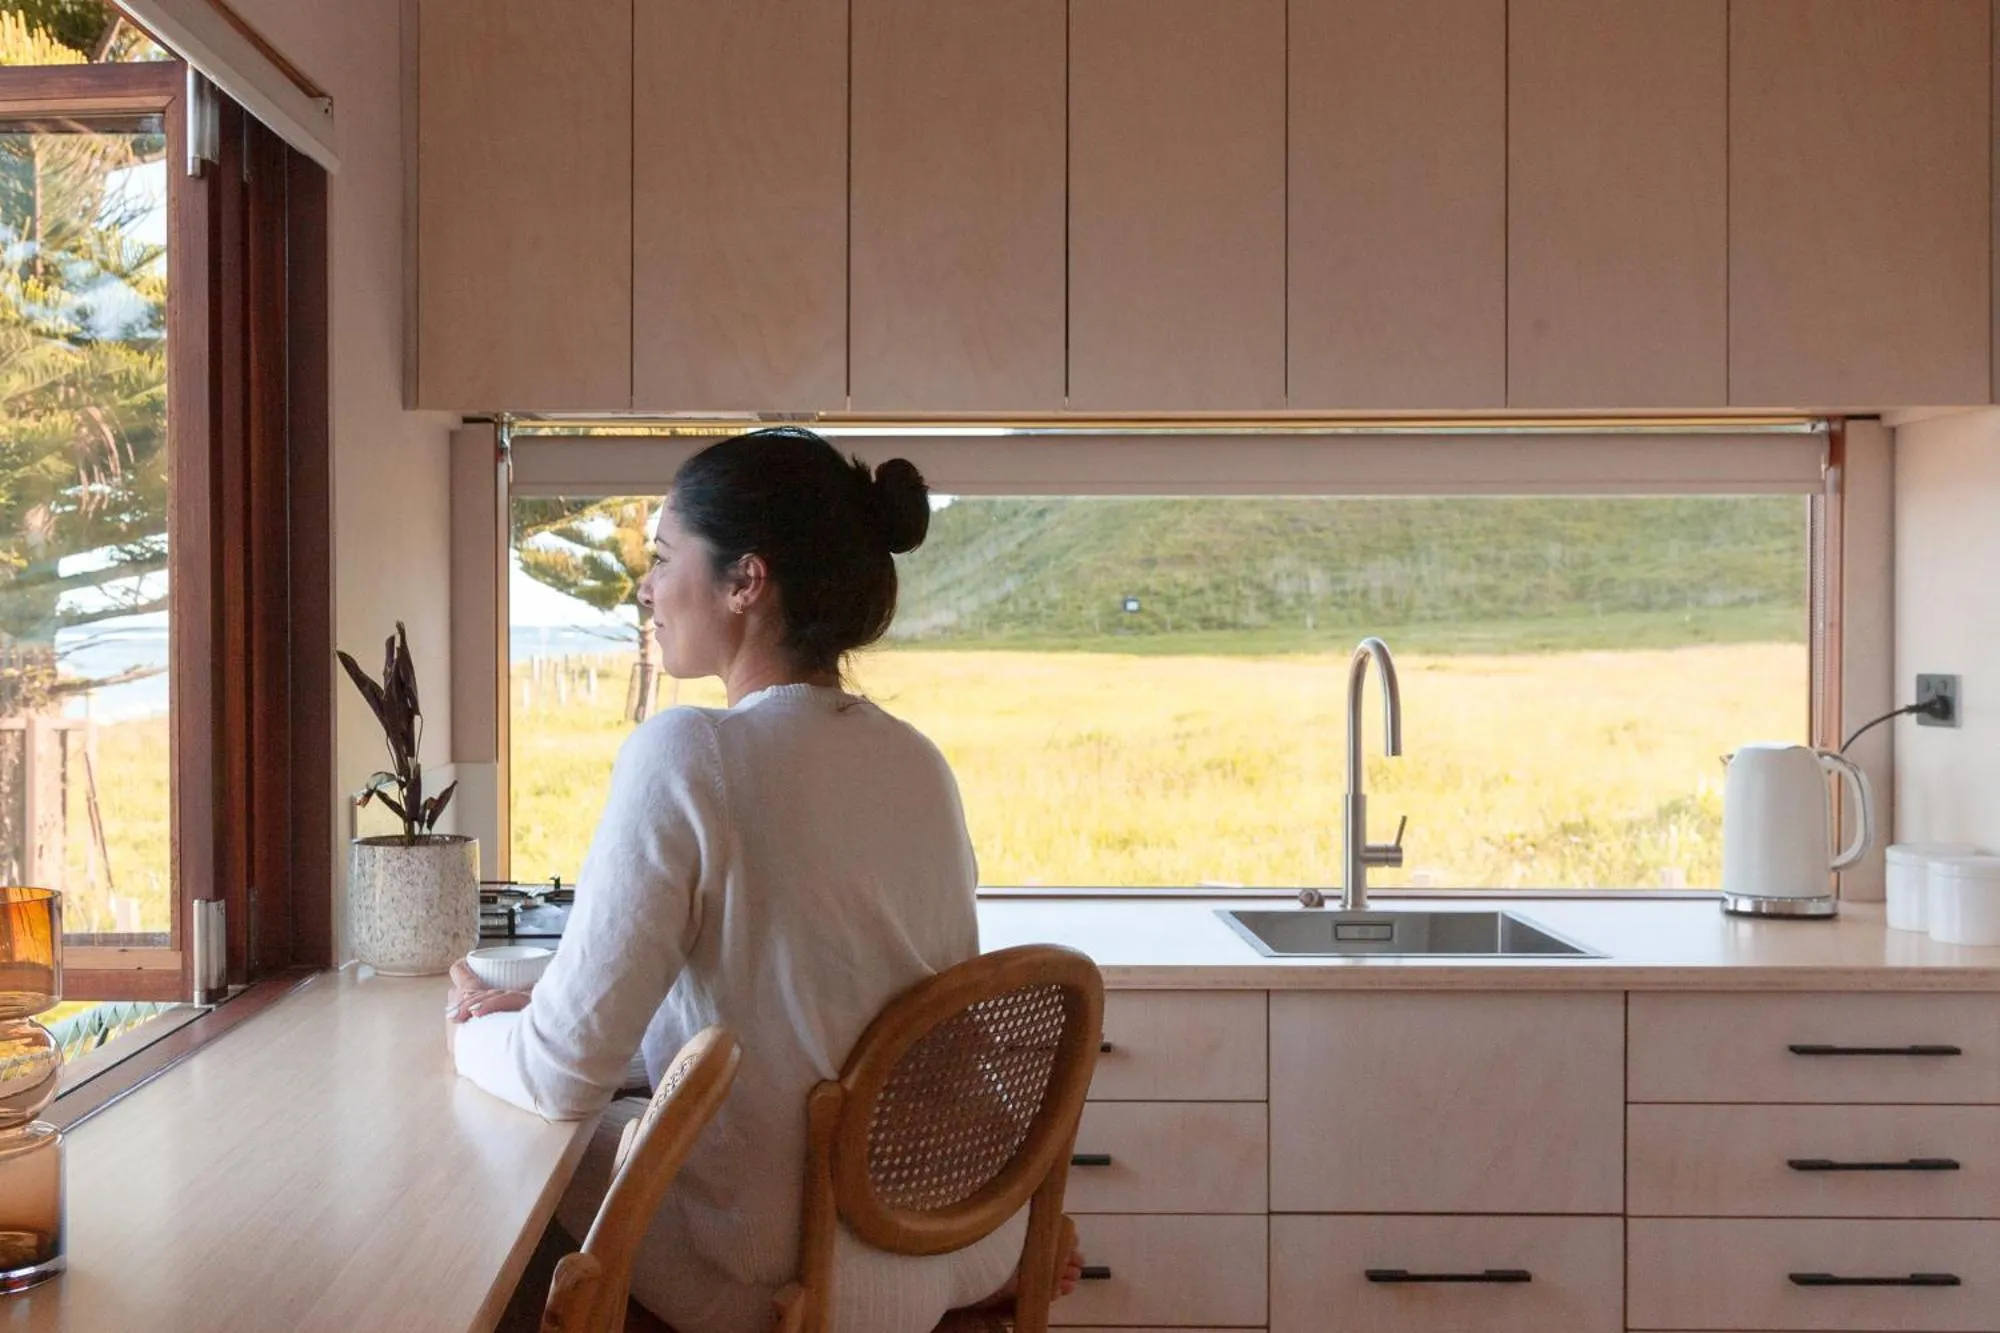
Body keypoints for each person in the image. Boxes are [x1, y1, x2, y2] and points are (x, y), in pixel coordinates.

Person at [447, 427, 1079, 1333]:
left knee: (510, 1161)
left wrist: (461, 1031)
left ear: (746, 580)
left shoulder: (691, 755)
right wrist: (567, 1020)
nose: (647, 586)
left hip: (779, 1276)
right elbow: (823, 1018)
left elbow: (554, 1079)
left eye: (665, 557)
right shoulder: (917, 762)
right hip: (945, 1238)